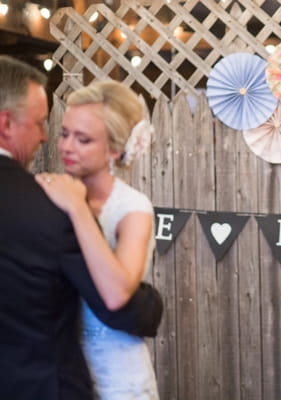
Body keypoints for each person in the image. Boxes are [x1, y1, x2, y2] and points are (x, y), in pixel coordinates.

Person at [0, 58, 162, 399]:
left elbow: (117, 295)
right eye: (64, 133)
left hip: (115, 370)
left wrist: (76, 207)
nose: (64, 146)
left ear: (114, 150)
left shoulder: (131, 207)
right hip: (65, 364)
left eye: (83, 139)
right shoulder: (45, 199)